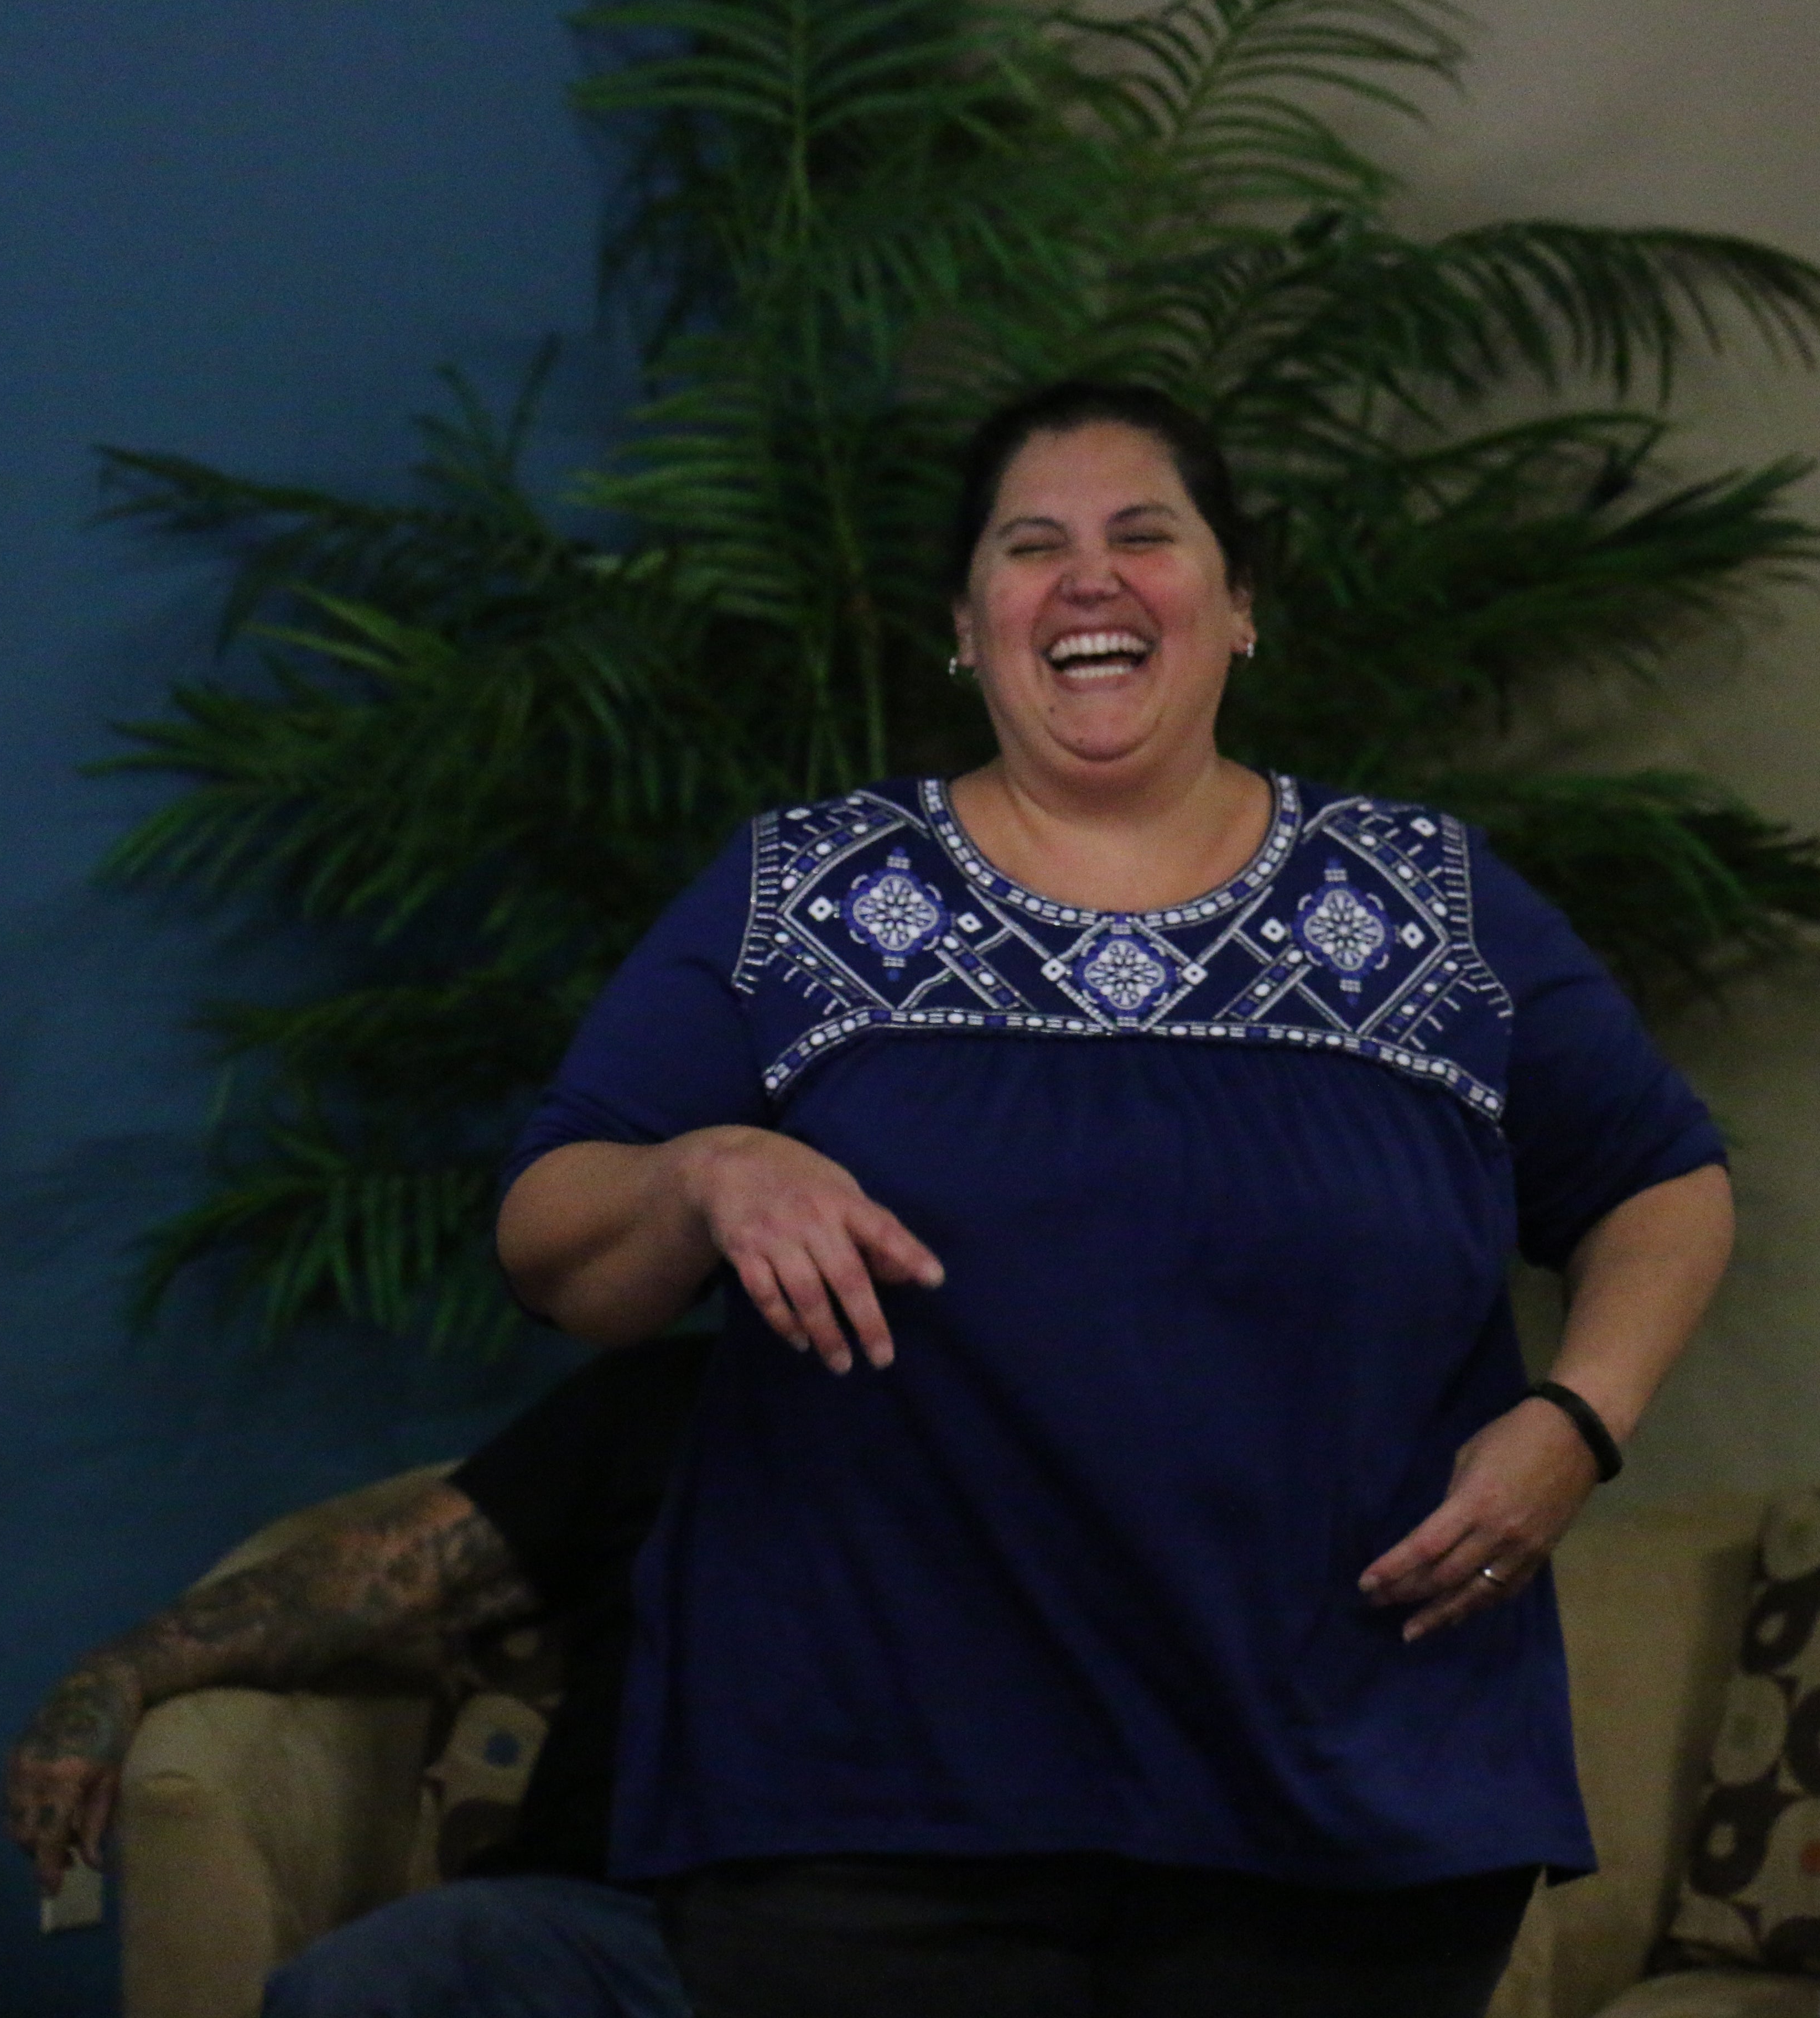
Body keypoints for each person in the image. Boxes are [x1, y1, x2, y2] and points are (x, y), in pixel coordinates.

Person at [496, 380, 1738, 2018]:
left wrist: (1578, 1421)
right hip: (868, 1813)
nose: (1090, 578)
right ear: (967, 628)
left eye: (1144, 536)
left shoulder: (1428, 903)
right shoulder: (805, 892)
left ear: (1237, 607)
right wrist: (701, 1168)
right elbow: (555, 1240)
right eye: (1032, 548)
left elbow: (1662, 1181)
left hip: (1348, 1803)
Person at [0, 1339, 707, 2018]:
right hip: (607, 1923)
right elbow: (367, 1581)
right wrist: (113, 1676)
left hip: (778, 1934)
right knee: (377, 1975)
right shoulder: (660, 1401)